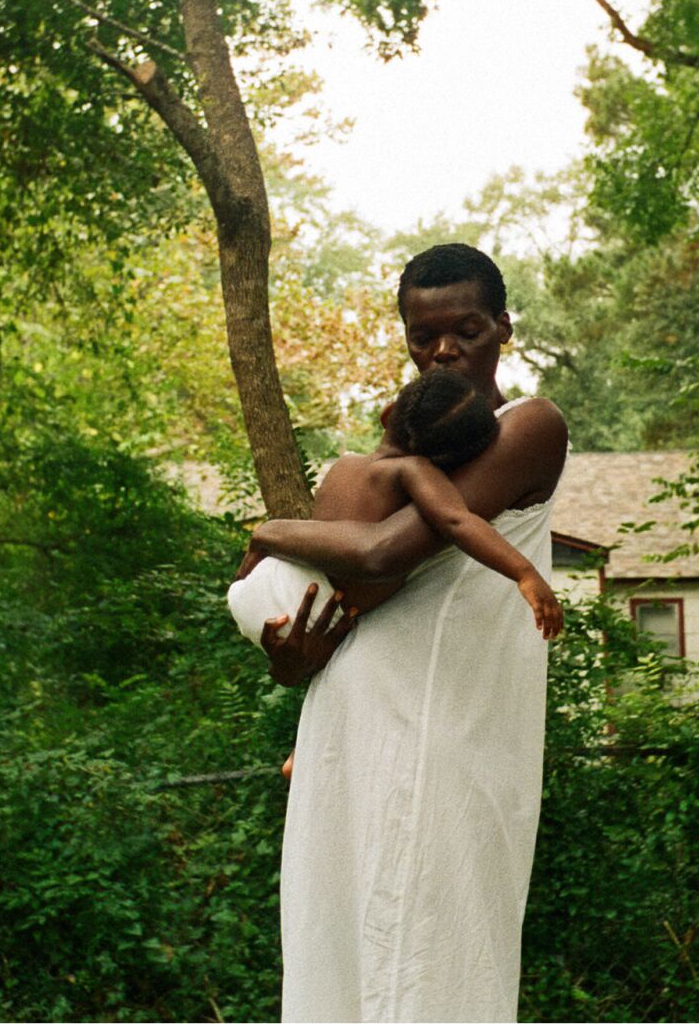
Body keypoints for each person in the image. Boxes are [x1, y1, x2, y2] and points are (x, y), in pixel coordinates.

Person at [236, 243, 569, 1022]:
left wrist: (268, 527)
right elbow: (344, 601)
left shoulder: (530, 426)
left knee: (433, 959)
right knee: (339, 955)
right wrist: (292, 661)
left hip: (446, 731)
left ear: (504, 328)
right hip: (351, 730)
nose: (444, 349)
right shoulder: (404, 447)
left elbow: (388, 553)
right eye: (424, 336)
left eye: (468, 328)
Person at [227, 366, 564, 657]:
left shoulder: (342, 466)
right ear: (449, 465)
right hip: (305, 611)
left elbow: (322, 533)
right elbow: (456, 520)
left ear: (388, 414)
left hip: (260, 585)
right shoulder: (411, 470)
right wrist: (524, 573)